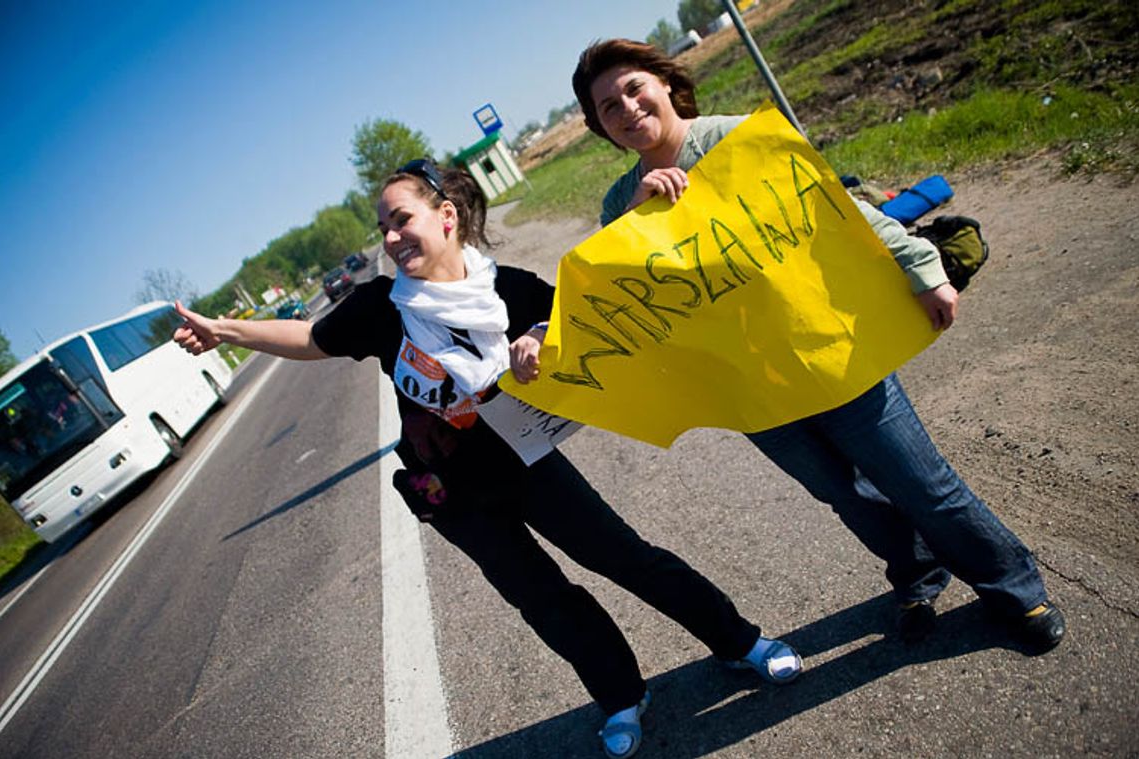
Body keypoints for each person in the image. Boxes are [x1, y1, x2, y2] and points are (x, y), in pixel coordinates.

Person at [173, 160, 802, 759]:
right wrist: (229, 330)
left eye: (402, 219)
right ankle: (620, 696)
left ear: (446, 216)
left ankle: (739, 640)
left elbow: (583, 312)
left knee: (627, 558)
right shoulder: (383, 309)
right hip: (454, 493)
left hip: (531, 465)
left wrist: (537, 334)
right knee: (541, 597)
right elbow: (312, 338)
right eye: (384, 227)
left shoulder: (509, 291)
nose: (391, 237)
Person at [566, 38, 1065, 653]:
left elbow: (836, 206)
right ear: (601, 127)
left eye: (633, 88)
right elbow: (629, 297)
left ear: (665, 84)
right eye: (608, 106)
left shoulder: (735, 139)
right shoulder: (618, 203)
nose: (627, 108)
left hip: (828, 349)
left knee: (922, 482)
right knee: (846, 493)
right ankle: (917, 575)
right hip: (750, 388)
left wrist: (920, 263)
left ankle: (1013, 586)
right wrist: (637, 220)